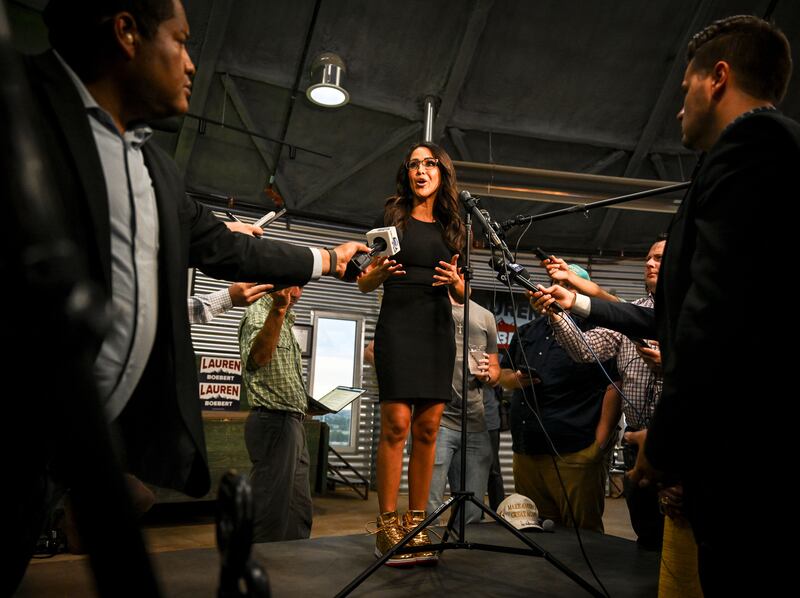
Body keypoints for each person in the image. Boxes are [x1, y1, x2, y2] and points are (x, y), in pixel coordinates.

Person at [11, 0, 368, 585]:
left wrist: (327, 258)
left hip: (80, 442)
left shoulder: (156, 167)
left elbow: (234, 250)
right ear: (126, 31)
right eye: (180, 41)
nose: (192, 64)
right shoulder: (21, 105)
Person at [532, 15, 798, 593]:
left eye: (684, 92)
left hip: (744, 447)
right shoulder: (750, 156)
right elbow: (668, 316)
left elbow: (714, 316)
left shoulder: (751, 147)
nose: (678, 109)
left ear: (717, 78)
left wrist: (669, 438)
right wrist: (581, 302)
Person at [358, 142, 465, 566]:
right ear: (408, 174)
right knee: (397, 423)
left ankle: (417, 525)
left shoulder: (457, 226)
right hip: (398, 326)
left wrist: (456, 282)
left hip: (438, 329)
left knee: (428, 430)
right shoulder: (392, 218)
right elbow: (363, 282)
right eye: (414, 165)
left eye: (429, 164)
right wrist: (377, 274)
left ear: (443, 172)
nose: (421, 171)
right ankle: (387, 526)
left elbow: (464, 293)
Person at [545, 238, 666, 549]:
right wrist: (558, 314)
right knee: (647, 532)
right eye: (648, 258)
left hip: (675, 438)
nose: (650, 264)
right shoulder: (629, 313)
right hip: (636, 440)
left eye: (660, 259)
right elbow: (585, 350)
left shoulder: (691, 315)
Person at [498, 270, 617, 532]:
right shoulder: (528, 331)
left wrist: (600, 442)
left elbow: (614, 385)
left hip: (575, 449)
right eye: (556, 284)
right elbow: (503, 375)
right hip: (527, 449)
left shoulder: (597, 333)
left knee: (583, 534)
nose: (558, 289)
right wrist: (515, 380)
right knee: (535, 530)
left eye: (567, 285)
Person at [239, 287, 312, 542]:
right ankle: (262, 568)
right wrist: (278, 310)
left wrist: (304, 403)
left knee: (297, 509)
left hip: (292, 422)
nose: (298, 294)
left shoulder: (286, 320)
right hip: (274, 421)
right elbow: (258, 357)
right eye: (292, 286)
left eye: (302, 287)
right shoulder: (260, 314)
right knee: (270, 510)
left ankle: (292, 565)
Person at [427, 298, 500, 524]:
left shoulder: (485, 316)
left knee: (471, 510)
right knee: (429, 504)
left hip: (475, 423)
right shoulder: (429, 307)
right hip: (438, 421)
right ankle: (427, 549)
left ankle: (462, 557)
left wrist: (489, 374)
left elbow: (496, 371)